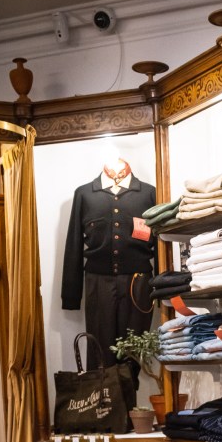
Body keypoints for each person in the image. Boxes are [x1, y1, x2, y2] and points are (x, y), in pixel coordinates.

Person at [61, 157, 156, 369]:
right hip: (98, 283)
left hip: (138, 283)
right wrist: (71, 295)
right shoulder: (85, 194)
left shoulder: (149, 194)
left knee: (133, 351)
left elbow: (161, 243)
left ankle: (129, 391)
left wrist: (165, 291)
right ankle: (102, 391)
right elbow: (74, 243)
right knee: (99, 353)